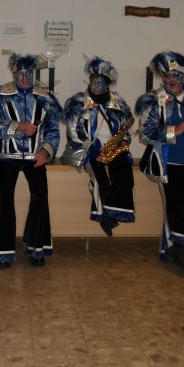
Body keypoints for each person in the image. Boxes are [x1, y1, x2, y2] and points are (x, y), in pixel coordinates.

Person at [136, 51, 184, 276]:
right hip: (169, 163)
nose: (171, 80)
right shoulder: (154, 100)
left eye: (176, 75)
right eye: (167, 76)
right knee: (177, 209)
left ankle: (181, 248)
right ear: (161, 77)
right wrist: (175, 131)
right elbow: (146, 133)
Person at [0, 53, 61, 268]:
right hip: (7, 156)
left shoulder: (45, 97)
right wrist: (18, 127)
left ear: (33, 74)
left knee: (40, 199)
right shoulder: (0, 94)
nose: (25, 77)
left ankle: (36, 249)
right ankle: (3, 252)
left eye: (28, 73)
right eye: (20, 73)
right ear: (13, 74)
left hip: (35, 157)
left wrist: (45, 152)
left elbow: (53, 131)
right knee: (5, 201)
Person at [62, 57, 135, 236]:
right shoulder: (78, 102)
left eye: (99, 82)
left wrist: (121, 144)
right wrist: (92, 148)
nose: (95, 85)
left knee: (125, 173)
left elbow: (126, 131)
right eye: (92, 80)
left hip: (112, 149)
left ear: (107, 84)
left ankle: (115, 212)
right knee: (101, 179)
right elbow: (73, 132)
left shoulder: (118, 103)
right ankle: (105, 217)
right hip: (88, 149)